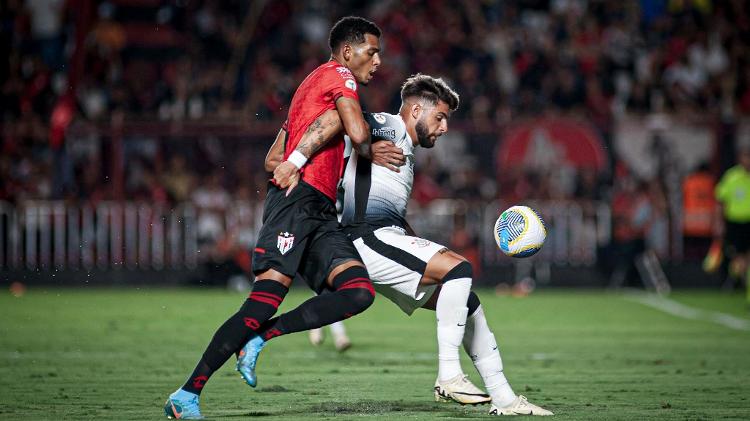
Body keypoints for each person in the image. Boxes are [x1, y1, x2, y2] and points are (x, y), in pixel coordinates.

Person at [263, 74, 552, 416]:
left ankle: (504, 398)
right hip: (367, 237)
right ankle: (449, 375)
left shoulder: (406, 148)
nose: (444, 128)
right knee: (459, 269)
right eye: (440, 117)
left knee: (467, 302)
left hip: (384, 238)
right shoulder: (388, 125)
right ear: (416, 110)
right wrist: (297, 157)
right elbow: (341, 116)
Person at [164, 17, 405, 420]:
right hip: (296, 205)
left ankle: (261, 338)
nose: (378, 61)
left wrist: (305, 157)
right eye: (372, 50)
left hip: (321, 212)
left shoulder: (308, 92)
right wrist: (366, 146)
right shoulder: (339, 76)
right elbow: (359, 135)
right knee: (261, 303)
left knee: (359, 291)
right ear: (348, 51)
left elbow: (273, 159)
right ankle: (186, 394)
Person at [714, 147, 750, 294]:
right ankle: (738, 278)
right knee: (738, 255)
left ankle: (739, 279)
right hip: (735, 222)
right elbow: (720, 200)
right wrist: (719, 222)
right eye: (745, 157)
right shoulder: (731, 176)